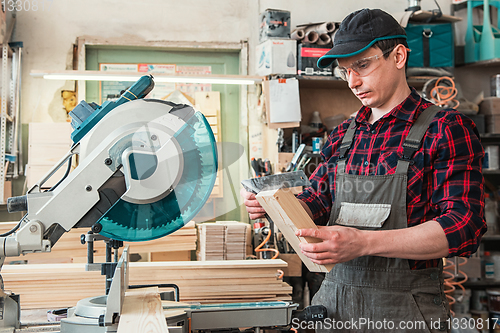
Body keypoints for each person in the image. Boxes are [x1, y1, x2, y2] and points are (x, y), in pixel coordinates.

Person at [241, 8, 486, 332]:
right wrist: (272, 202)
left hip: (406, 314)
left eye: (363, 65)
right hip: (335, 309)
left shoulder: (445, 129)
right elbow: (316, 203)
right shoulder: (342, 136)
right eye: (345, 71)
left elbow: (463, 226)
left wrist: (364, 242)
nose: (353, 81)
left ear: (398, 56)